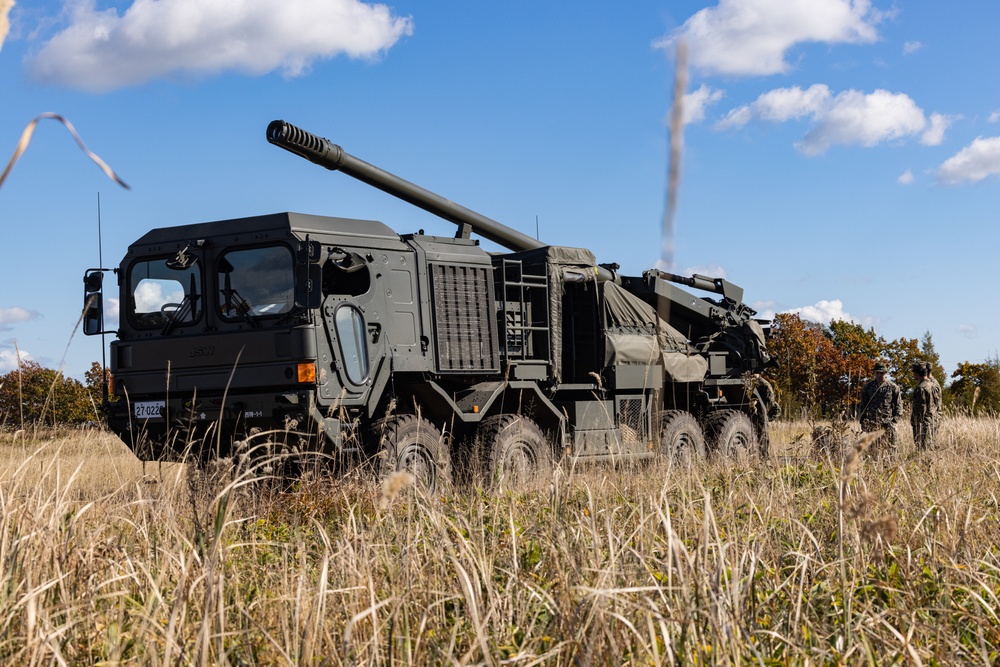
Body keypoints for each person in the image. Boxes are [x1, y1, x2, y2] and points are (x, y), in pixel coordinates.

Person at [859, 361, 903, 458]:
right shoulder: (868, 387)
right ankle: (874, 467)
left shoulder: (893, 387)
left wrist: (895, 420)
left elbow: (899, 405)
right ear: (874, 373)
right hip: (872, 423)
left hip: (887, 422)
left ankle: (891, 465)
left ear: (886, 373)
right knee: (873, 449)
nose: (879, 375)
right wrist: (862, 421)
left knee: (891, 448)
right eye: (877, 373)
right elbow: (863, 405)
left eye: (882, 373)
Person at [911, 362, 943, 450]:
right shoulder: (934, 385)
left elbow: (920, 409)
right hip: (933, 420)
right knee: (931, 445)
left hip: (923, 423)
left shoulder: (921, 388)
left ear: (917, 374)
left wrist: (915, 423)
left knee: (922, 448)